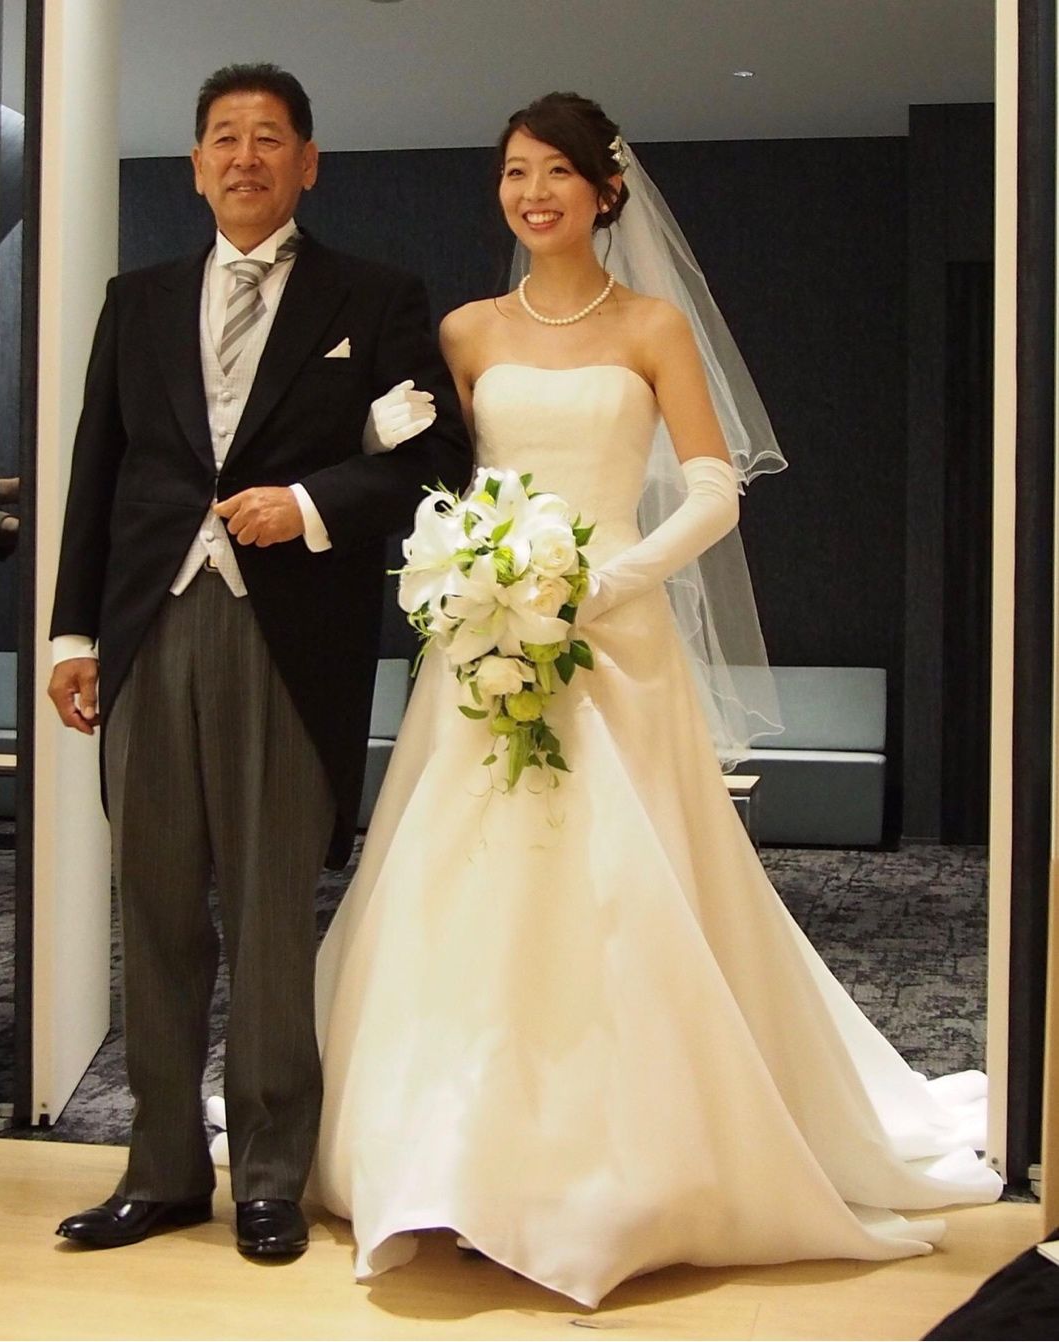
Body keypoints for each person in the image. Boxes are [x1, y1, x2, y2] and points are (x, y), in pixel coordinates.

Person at [305, 92, 1004, 1307]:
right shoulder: (465, 330)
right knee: (461, 887)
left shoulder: (652, 325)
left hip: (613, 642)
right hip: (483, 641)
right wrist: (468, 560)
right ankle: (448, 1160)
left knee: (622, 893)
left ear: (605, 190)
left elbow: (714, 489)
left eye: (555, 173)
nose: (532, 194)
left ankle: (619, 1168)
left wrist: (600, 580)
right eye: (514, 172)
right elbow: (426, 471)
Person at [46, 62, 470, 1259]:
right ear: (195, 165)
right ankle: (163, 1170)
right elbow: (97, 470)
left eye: (268, 137)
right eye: (223, 138)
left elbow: (432, 458)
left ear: (307, 162)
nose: (245, 157)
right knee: (154, 906)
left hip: (289, 638)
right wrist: (73, 631)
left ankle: (271, 1173)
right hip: (148, 628)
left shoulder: (373, 297)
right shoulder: (136, 300)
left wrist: (311, 504)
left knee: (272, 911)